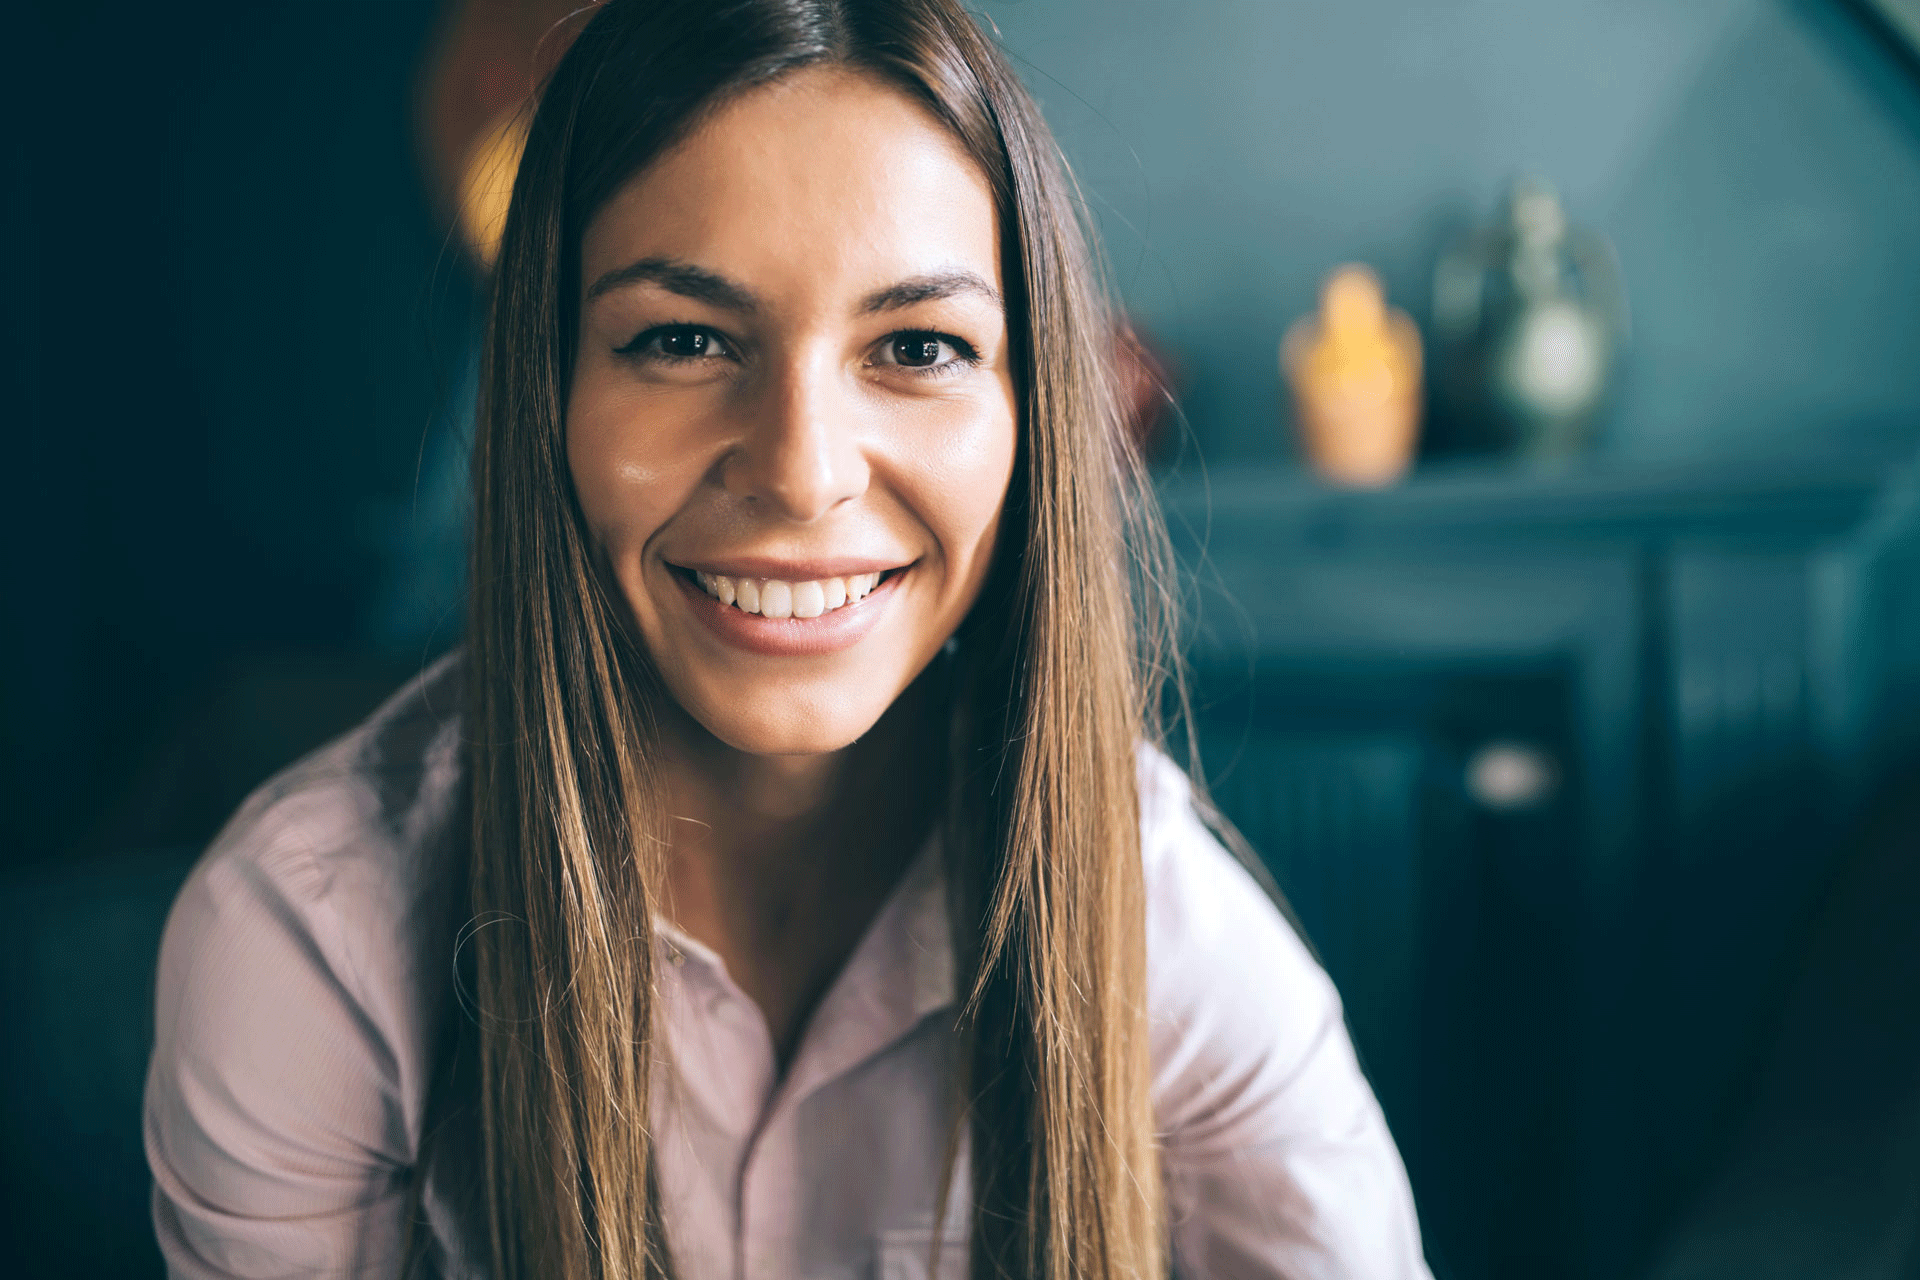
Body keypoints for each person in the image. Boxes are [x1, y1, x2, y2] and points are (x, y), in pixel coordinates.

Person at [142, 2, 1430, 1277]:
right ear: (548, 398)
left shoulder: (1153, 912)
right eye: (684, 340)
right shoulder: (316, 935)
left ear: (1034, 417)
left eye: (919, 346)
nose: (804, 471)